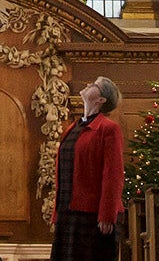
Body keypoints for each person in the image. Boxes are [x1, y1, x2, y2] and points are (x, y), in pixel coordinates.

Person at [51, 76, 125, 261]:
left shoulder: (108, 129)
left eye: (95, 85)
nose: (88, 84)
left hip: (91, 216)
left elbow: (113, 174)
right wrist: (57, 213)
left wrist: (107, 214)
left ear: (101, 100)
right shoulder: (73, 128)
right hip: (68, 214)